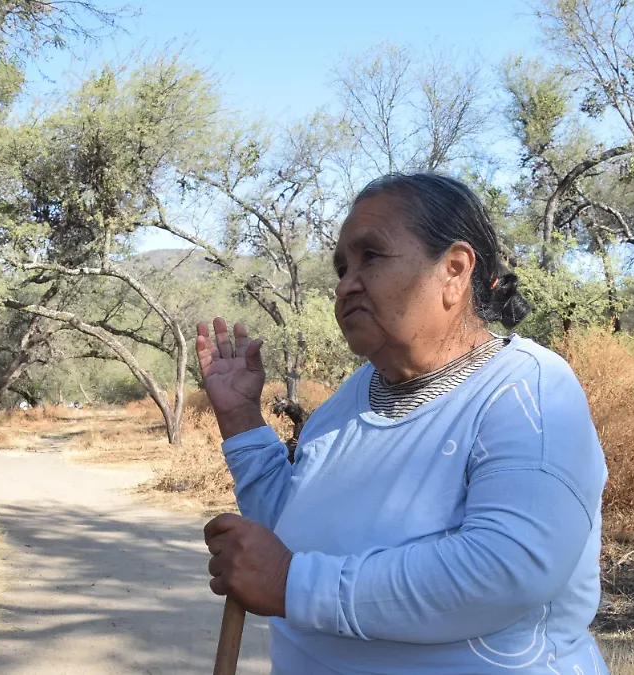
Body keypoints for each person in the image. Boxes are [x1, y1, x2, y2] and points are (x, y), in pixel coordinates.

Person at [197, 173, 609, 675]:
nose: (346, 283)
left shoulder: (526, 389)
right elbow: (295, 528)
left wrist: (292, 585)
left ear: (454, 271)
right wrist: (241, 420)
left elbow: (510, 568)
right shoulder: (346, 403)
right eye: (342, 267)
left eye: (370, 257)